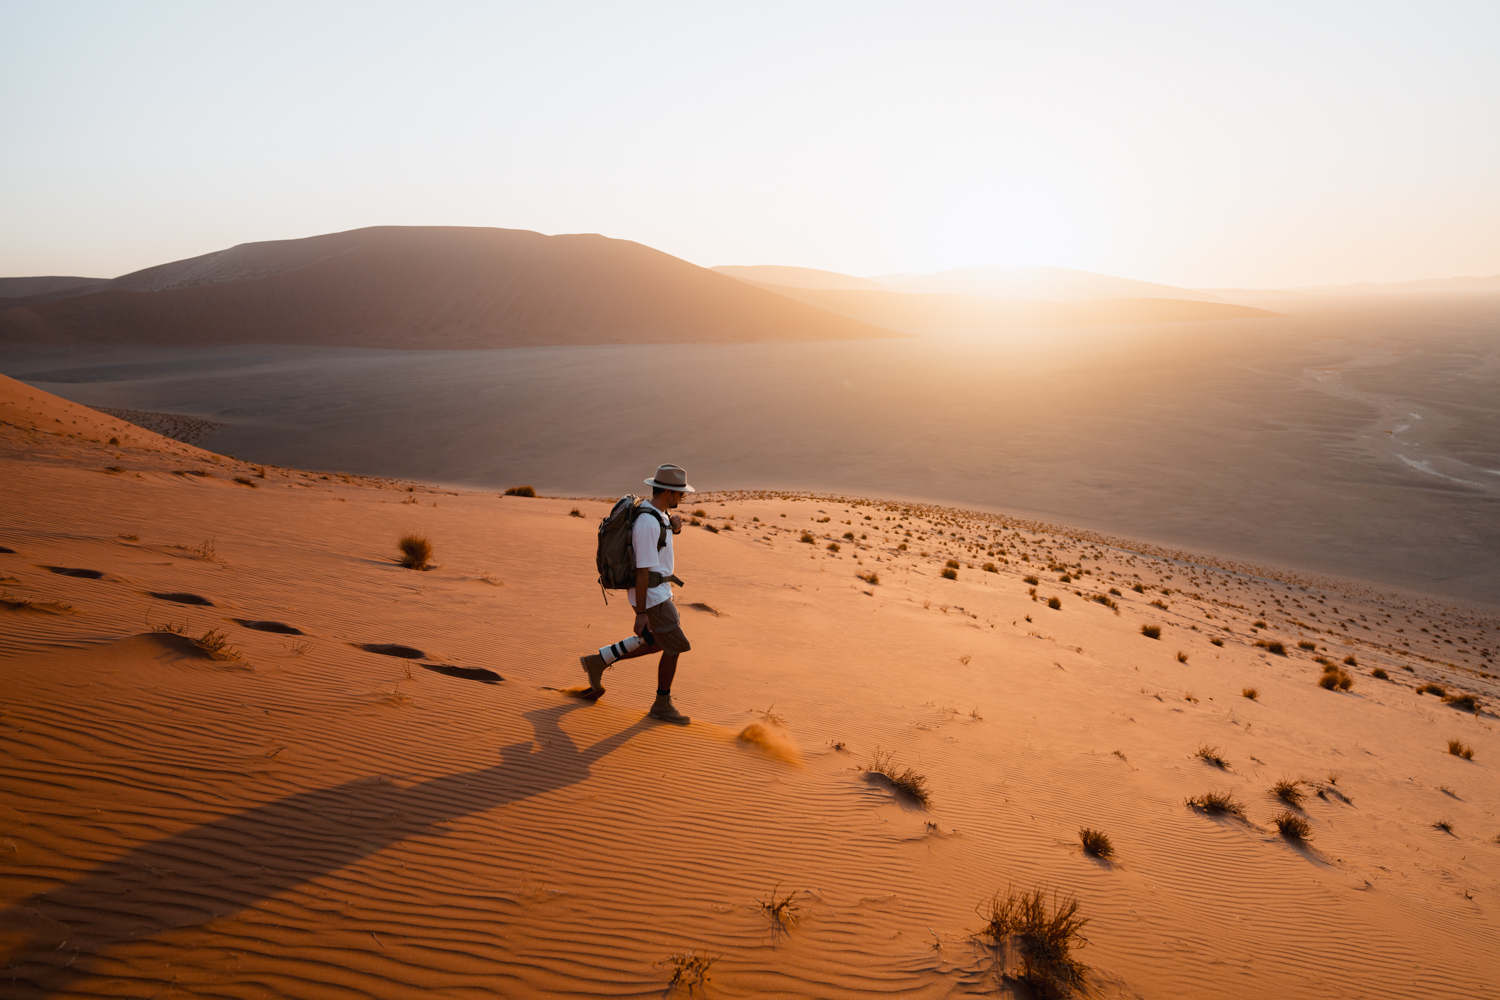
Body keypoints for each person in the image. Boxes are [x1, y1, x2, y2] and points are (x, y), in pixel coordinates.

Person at [580, 463, 695, 724]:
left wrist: (675, 528)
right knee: (675, 645)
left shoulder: (659, 515)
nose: (682, 498)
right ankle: (661, 704)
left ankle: (599, 660)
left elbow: (661, 544)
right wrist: (641, 613)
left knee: (656, 642)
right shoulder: (647, 522)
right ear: (667, 491)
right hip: (652, 596)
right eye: (680, 494)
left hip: (659, 591)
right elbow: (643, 570)